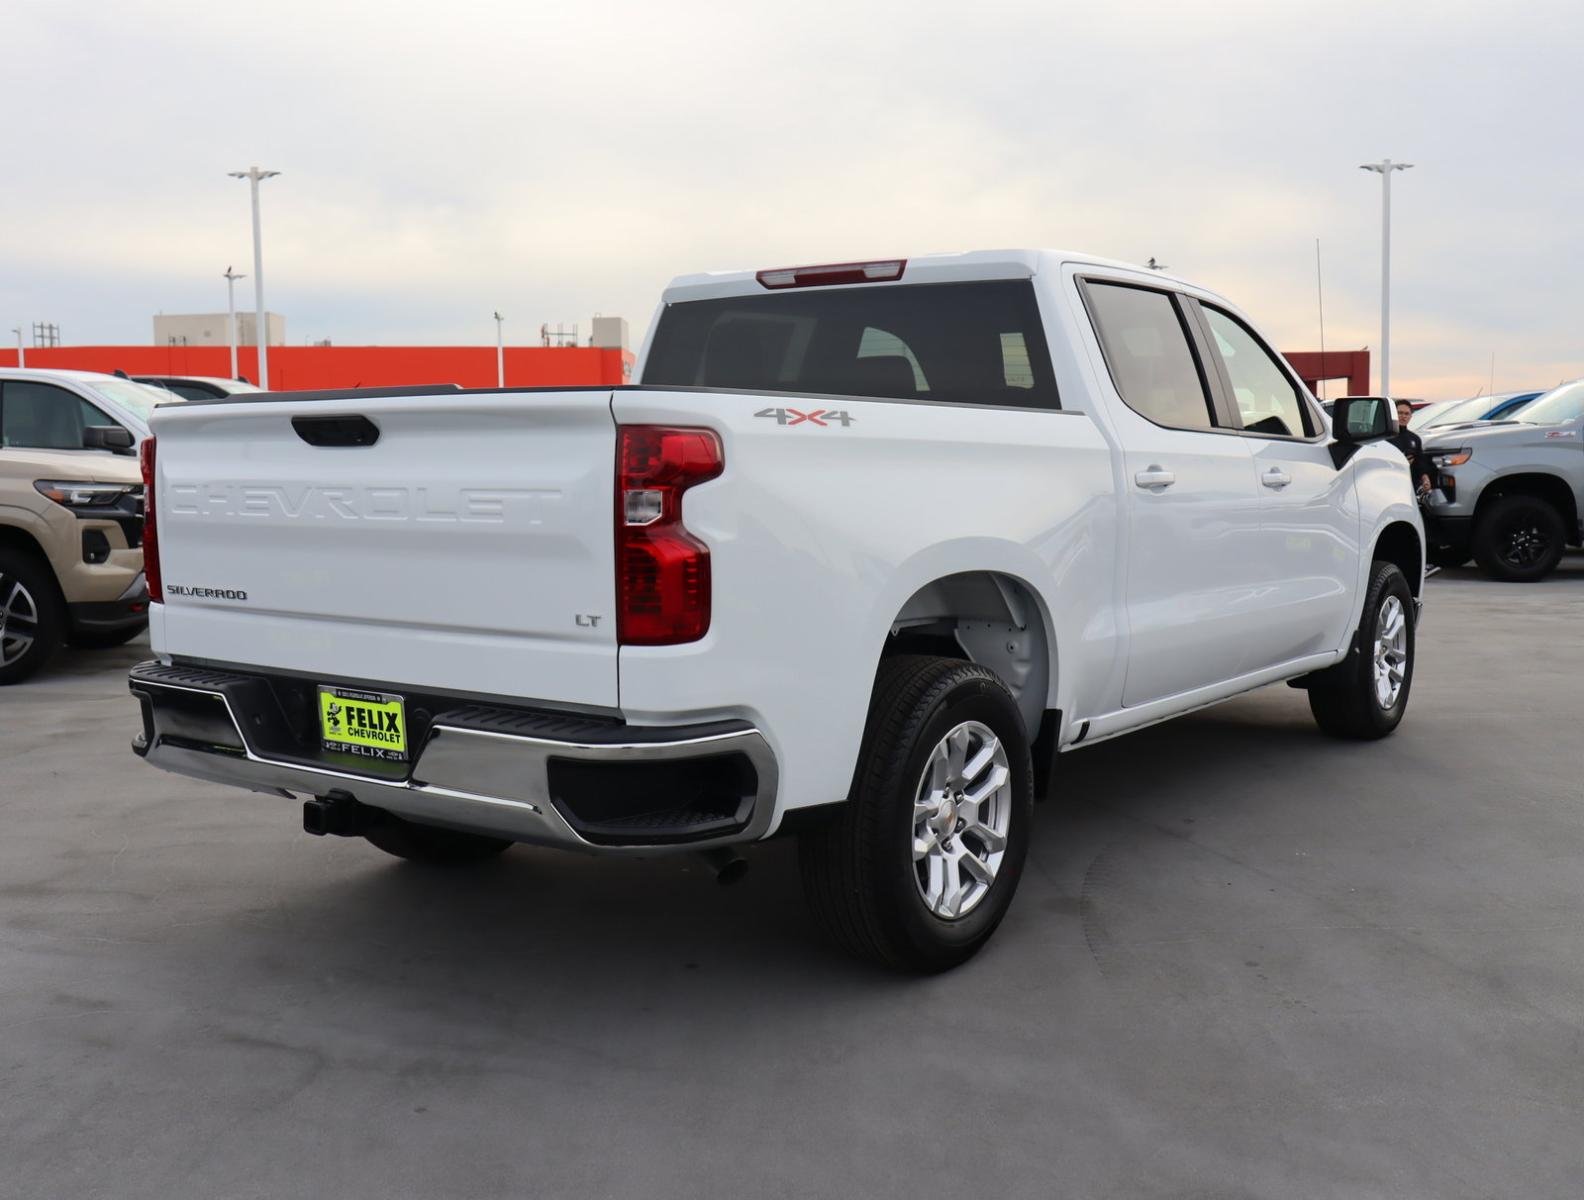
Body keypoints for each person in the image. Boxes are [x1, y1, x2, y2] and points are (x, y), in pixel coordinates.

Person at [1389, 399, 1433, 496]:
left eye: (1406, 414)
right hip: (1389, 486)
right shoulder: (1385, 437)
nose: (1403, 416)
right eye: (1399, 413)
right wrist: (1401, 462)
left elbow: (1420, 463)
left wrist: (1425, 479)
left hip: (1410, 488)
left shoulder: (1415, 439)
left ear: (1410, 416)